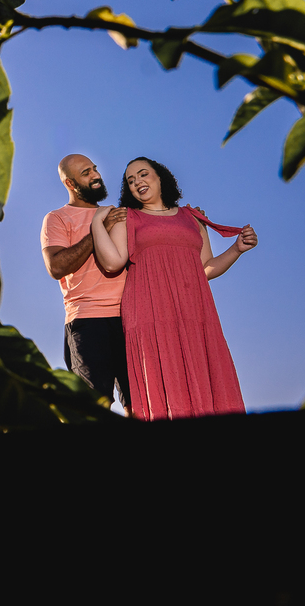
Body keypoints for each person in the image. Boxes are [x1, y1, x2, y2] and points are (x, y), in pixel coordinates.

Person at [90, 157, 258, 420]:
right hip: (150, 313)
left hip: (196, 312)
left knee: (207, 380)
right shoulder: (128, 217)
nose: (137, 183)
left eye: (143, 174)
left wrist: (237, 249)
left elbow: (205, 269)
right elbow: (112, 263)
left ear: (161, 177)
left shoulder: (192, 217)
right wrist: (96, 225)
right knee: (164, 382)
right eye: (131, 181)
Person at [40, 154, 130, 409]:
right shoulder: (57, 218)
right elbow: (56, 266)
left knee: (142, 405)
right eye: (86, 173)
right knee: (93, 408)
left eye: (94, 169)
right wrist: (97, 229)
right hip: (87, 322)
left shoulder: (120, 214)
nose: (96, 176)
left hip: (131, 319)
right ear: (70, 183)